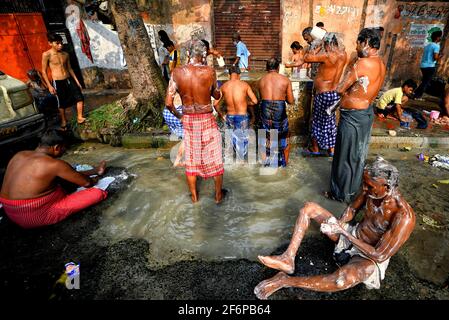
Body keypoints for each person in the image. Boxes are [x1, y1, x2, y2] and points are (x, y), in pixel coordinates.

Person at [254, 157, 416, 299]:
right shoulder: (372, 189)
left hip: (368, 256)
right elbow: (352, 209)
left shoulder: (404, 216)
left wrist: (343, 231)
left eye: (369, 186)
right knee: (309, 208)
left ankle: (284, 281)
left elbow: (379, 255)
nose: (364, 190)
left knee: (342, 280)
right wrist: (338, 223)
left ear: (387, 187)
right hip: (352, 234)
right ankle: (288, 258)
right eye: (364, 185)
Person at [0, 129, 108, 229]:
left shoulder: (19, 154)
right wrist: (95, 179)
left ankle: (95, 170)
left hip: (9, 209)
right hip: (31, 216)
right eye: (64, 149)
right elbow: (87, 183)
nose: (64, 152)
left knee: (64, 177)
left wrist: (92, 172)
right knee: (97, 194)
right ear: (57, 147)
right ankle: (96, 173)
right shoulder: (54, 164)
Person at [327, 28, 386, 203]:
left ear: (366, 42)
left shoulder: (363, 64)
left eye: (358, 42)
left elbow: (340, 88)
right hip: (365, 113)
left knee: (345, 155)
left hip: (353, 116)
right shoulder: (380, 63)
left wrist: (352, 63)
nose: (356, 46)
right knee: (357, 155)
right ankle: (352, 192)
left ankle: (340, 195)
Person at [165, 40, 225, 203]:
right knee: (215, 157)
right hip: (206, 118)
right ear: (204, 55)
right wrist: (219, 93)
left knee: (191, 160)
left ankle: (194, 198)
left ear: (188, 54)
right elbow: (217, 95)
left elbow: (168, 103)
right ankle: (218, 197)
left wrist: (180, 116)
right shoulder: (209, 72)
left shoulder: (177, 72)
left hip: (189, 120)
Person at [303, 33, 347, 157]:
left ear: (328, 44)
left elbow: (307, 57)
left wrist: (318, 46)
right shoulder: (343, 55)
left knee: (317, 121)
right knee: (330, 122)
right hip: (334, 93)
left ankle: (316, 148)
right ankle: (331, 150)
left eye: (325, 44)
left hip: (323, 93)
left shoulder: (327, 55)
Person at [41, 33, 86, 130]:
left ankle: (79, 117)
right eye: (57, 43)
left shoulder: (66, 54)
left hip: (68, 79)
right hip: (57, 81)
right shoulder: (46, 55)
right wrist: (49, 86)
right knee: (61, 103)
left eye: (61, 43)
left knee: (79, 97)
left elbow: (70, 68)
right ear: (50, 43)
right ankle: (64, 120)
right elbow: (44, 71)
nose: (60, 45)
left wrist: (77, 82)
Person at [215, 65, 258, 162]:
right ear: (239, 74)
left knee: (231, 138)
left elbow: (215, 104)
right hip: (242, 117)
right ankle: (241, 163)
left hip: (230, 116)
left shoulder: (224, 86)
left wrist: (222, 115)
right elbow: (255, 101)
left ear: (229, 75)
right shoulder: (244, 85)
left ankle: (231, 160)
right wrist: (245, 103)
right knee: (242, 140)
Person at [258, 58, 294, 167]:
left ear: (266, 68)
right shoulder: (285, 80)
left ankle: (266, 164)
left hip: (265, 110)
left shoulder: (261, 80)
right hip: (279, 110)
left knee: (265, 136)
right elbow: (291, 101)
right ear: (278, 67)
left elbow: (260, 99)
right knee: (285, 136)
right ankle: (284, 165)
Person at [414, 30, 443, 99]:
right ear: (437, 38)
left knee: (424, 81)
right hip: (430, 66)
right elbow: (435, 57)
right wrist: (440, 56)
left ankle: (416, 93)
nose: (440, 38)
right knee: (426, 82)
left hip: (423, 66)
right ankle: (417, 95)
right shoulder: (436, 46)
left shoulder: (427, 45)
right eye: (440, 37)